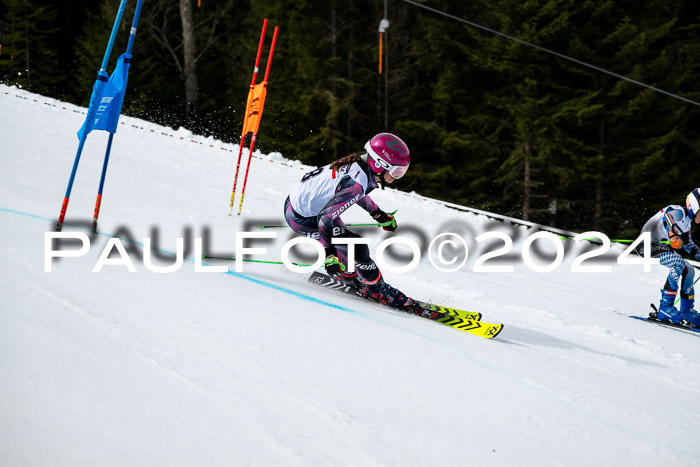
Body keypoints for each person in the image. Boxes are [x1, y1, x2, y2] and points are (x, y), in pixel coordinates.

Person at [284, 133, 437, 318]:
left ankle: (349, 275)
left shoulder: (361, 167)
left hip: (304, 207)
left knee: (346, 244)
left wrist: (378, 214)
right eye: (397, 172)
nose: (397, 178)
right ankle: (377, 289)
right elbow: (326, 218)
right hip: (304, 219)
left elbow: (354, 193)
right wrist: (328, 256)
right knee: (356, 245)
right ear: (380, 165)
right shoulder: (358, 180)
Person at [641, 188, 700, 327]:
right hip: (646, 245)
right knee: (677, 263)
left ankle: (687, 312)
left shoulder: (686, 223)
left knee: (689, 270)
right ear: (695, 205)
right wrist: (673, 235)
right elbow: (667, 218)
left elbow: (688, 245)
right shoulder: (678, 210)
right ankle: (665, 308)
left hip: (658, 247)